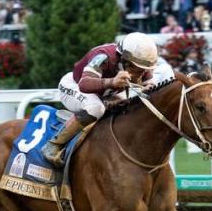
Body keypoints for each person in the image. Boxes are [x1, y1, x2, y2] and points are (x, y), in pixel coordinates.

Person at [41, 32, 158, 166]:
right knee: (96, 108)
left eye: (145, 70)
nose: (142, 73)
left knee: (129, 104)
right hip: (74, 85)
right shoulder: (104, 56)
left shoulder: (141, 63)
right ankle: (53, 144)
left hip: (103, 92)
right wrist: (112, 82)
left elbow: (150, 85)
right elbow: (84, 84)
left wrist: (149, 87)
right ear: (124, 59)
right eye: (137, 68)